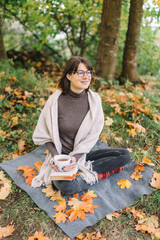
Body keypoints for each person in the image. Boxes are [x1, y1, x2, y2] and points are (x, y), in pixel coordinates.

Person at [31, 56, 131, 194]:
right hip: (62, 159)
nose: (86, 76)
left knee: (125, 155)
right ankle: (98, 173)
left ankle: (84, 170)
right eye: (80, 72)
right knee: (67, 187)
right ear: (69, 76)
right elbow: (44, 134)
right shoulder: (55, 100)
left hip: (82, 155)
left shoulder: (94, 100)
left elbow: (92, 135)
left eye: (89, 72)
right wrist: (55, 157)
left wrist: (76, 158)